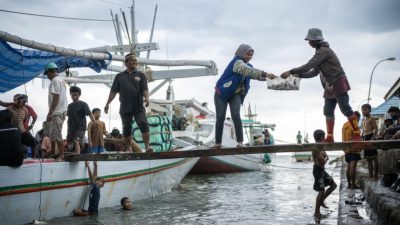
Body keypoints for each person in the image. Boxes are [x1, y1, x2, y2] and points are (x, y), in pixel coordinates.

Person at [281, 28, 361, 143]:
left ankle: (357, 134)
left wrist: (291, 71)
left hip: (338, 81)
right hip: (329, 85)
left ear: (316, 41)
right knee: (328, 111)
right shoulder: (320, 52)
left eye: (310, 40)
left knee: (345, 109)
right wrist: (299, 75)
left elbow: (309, 65)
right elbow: (314, 72)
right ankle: (330, 136)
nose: (309, 42)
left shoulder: (323, 51)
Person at [213, 44, 276, 148]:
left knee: (236, 115)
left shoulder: (249, 67)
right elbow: (247, 70)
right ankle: (218, 143)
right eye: (248, 54)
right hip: (222, 93)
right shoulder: (236, 63)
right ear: (242, 53)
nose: (249, 57)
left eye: (251, 55)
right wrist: (265, 73)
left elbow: (256, 75)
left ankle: (240, 142)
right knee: (220, 118)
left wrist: (271, 78)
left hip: (235, 93)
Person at [104, 53, 153, 153]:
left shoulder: (141, 75)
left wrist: (147, 98)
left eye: (135, 60)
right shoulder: (119, 76)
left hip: (138, 106)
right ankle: (129, 148)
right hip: (125, 107)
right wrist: (107, 104)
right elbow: (113, 91)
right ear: (126, 63)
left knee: (143, 124)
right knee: (126, 128)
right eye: (131, 60)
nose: (134, 62)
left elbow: (145, 89)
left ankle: (147, 146)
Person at [312, 129, 337, 223]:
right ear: (321, 137)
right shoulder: (315, 148)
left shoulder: (321, 147)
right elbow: (323, 160)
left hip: (322, 170)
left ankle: (322, 201)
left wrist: (325, 157)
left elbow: (324, 157)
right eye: (324, 137)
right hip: (318, 171)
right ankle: (316, 212)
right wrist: (326, 158)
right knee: (321, 190)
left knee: (333, 185)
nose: (325, 139)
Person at [45, 62, 68, 161]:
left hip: (57, 112)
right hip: (62, 110)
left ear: (50, 72)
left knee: (57, 134)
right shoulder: (61, 80)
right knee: (53, 133)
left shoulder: (54, 80)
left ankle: (61, 154)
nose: (47, 77)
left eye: (47, 74)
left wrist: (50, 112)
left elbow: (56, 97)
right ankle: (53, 152)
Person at [67, 86, 94, 154]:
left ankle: (77, 155)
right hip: (71, 128)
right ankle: (79, 149)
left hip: (81, 127)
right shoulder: (70, 106)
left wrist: (94, 123)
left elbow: (90, 114)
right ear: (70, 95)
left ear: (79, 95)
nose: (74, 96)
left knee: (76, 141)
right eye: (73, 95)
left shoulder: (83, 104)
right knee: (70, 142)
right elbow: (66, 115)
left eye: (76, 95)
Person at [342, 111, 361, 189]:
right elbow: (357, 138)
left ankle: (349, 184)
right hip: (353, 149)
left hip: (346, 148)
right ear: (356, 118)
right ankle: (353, 184)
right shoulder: (354, 125)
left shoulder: (344, 125)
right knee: (353, 167)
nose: (358, 121)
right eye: (358, 119)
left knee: (348, 167)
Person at [361, 104, 379, 181]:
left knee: (374, 158)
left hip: (370, 137)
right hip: (365, 139)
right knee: (368, 159)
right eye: (362, 110)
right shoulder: (364, 120)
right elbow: (364, 130)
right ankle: (370, 176)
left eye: (365, 109)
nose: (363, 111)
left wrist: (372, 138)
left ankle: (375, 176)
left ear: (369, 110)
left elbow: (376, 129)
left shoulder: (372, 118)